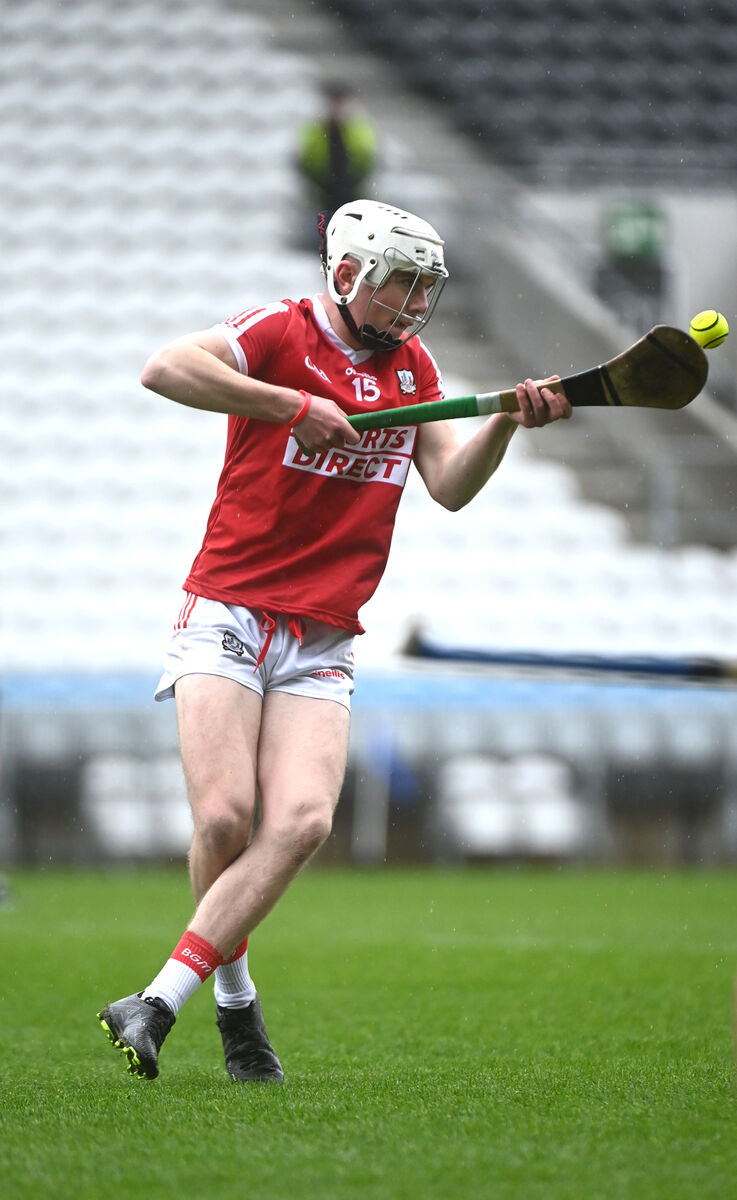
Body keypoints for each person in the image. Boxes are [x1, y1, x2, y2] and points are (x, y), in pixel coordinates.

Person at [97, 198, 572, 1083]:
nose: (414, 305)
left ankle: (157, 999)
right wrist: (289, 405)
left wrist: (506, 420)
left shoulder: (415, 368)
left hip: (322, 635)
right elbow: (165, 368)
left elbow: (449, 485)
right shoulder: (281, 331)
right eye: (401, 284)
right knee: (225, 819)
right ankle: (235, 1006)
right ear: (348, 273)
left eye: (424, 288)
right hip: (231, 608)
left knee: (304, 821)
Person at [297, 84, 378, 237]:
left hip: (351, 194)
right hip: (322, 195)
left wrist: (352, 181)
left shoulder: (357, 128)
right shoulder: (316, 129)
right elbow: (306, 159)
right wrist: (321, 183)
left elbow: (367, 159)